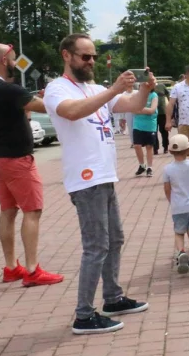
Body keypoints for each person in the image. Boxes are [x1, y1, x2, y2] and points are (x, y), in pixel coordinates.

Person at [44, 34, 151, 335]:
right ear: (67, 56)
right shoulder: (58, 88)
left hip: (105, 175)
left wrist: (144, 89)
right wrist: (114, 90)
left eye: (93, 56)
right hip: (85, 177)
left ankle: (113, 298)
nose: (91, 61)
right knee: (96, 246)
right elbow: (72, 111)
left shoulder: (95, 88)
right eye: (84, 56)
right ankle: (83, 314)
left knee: (114, 239)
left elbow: (132, 104)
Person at [0, 44, 62, 284]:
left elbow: (21, 107)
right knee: (32, 211)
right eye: (14, 59)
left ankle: (11, 267)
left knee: (8, 211)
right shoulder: (9, 90)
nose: (15, 64)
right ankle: (33, 270)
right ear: (5, 60)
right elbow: (47, 107)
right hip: (17, 159)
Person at [163, 134, 189, 274]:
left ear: (170, 151)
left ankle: (181, 253)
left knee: (179, 233)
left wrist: (172, 201)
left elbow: (167, 189)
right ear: (188, 150)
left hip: (178, 207)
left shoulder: (167, 169)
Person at [132, 84, 159, 177]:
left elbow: (152, 110)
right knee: (137, 145)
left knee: (149, 147)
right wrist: (143, 110)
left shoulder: (154, 95)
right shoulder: (137, 96)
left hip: (150, 125)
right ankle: (142, 165)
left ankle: (149, 167)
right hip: (138, 124)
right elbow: (133, 109)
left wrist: (139, 109)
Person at [154, 83, 170, 154]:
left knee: (164, 130)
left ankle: (165, 146)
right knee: (153, 131)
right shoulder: (147, 86)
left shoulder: (161, 86)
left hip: (162, 112)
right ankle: (155, 148)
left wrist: (168, 102)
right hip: (152, 112)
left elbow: (168, 93)